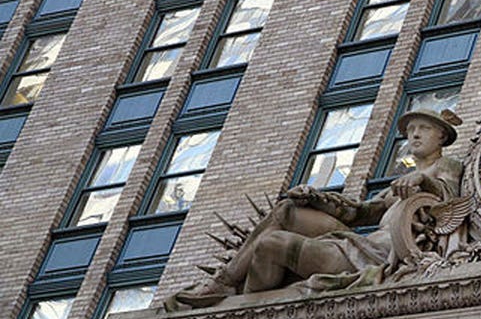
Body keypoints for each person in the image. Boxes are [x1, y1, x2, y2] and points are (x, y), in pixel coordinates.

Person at [167, 109, 463, 308]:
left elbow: (450, 196)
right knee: (286, 211)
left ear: (442, 136)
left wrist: (424, 179)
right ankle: (223, 282)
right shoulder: (398, 185)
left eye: (424, 128)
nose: (414, 134)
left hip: (376, 256)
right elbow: (359, 213)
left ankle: (243, 307)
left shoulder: (446, 166)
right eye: (411, 129)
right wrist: (316, 199)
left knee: (271, 244)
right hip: (361, 243)